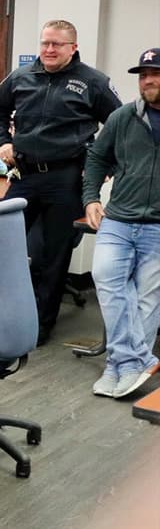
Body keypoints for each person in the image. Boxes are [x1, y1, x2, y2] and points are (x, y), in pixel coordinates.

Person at [0, 19, 121, 343]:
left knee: (53, 255)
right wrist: (1, 141)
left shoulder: (93, 81)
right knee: (0, 241)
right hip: (24, 174)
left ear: (72, 47)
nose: (49, 50)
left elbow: (119, 124)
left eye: (57, 44)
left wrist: (104, 165)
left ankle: (40, 323)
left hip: (65, 178)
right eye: (45, 43)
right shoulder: (21, 77)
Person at [82, 47, 160, 399]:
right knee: (109, 284)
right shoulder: (124, 116)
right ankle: (135, 362)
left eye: (155, 74)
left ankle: (118, 365)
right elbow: (97, 157)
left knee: (147, 298)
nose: (148, 80)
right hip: (119, 218)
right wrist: (91, 198)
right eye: (144, 75)